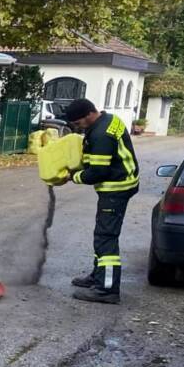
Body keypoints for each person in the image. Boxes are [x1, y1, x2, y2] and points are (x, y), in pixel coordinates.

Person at [54, 98, 138, 304]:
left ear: (90, 114)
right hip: (124, 182)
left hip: (115, 189)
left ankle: (107, 289)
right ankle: (98, 276)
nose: (78, 127)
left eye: (78, 123)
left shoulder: (101, 134)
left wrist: (72, 177)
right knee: (102, 235)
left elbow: (98, 172)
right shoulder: (109, 119)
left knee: (105, 237)